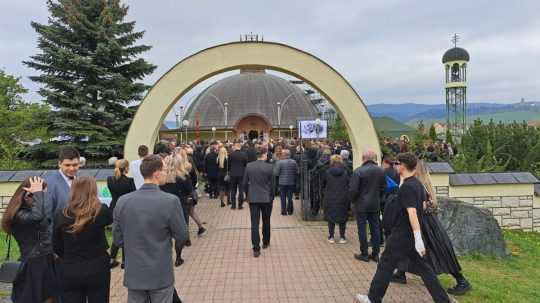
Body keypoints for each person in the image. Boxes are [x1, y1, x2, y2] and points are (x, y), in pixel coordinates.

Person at [355, 153, 451, 303]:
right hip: (409, 235)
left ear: (403, 166)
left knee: (385, 264)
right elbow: (421, 206)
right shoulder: (417, 184)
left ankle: (373, 299)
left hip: (402, 235)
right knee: (424, 269)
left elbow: (412, 212)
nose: (395, 165)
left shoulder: (409, 186)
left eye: (397, 163)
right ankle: (443, 300)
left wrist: (418, 239)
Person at [113, 155, 188, 303]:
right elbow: (182, 235)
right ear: (156, 173)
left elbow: (117, 238)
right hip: (160, 272)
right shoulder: (170, 201)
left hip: (134, 273)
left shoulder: (123, 201)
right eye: (165, 170)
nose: (167, 173)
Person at [391, 161, 471, 296]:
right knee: (408, 248)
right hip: (426, 223)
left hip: (426, 224)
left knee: (438, 251)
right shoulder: (421, 184)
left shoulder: (417, 186)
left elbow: (418, 208)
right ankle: (400, 272)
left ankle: (462, 281)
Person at [1, 177, 61, 303]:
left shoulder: (31, 211)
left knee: (50, 297)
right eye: (39, 195)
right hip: (34, 263)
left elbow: (45, 228)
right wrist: (38, 194)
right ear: (27, 195)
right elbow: (37, 217)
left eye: (43, 195)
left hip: (45, 259)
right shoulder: (18, 214)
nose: (43, 199)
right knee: (33, 298)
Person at [53, 176, 113, 303]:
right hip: (97, 265)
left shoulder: (61, 214)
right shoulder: (101, 211)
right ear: (93, 190)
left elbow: (56, 245)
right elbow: (111, 220)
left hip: (70, 267)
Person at [349, 150, 386, 263]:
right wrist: (379, 199)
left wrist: (353, 201)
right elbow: (384, 188)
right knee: (375, 229)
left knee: (362, 229)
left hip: (361, 204)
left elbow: (353, 190)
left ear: (363, 158)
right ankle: (375, 254)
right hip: (375, 204)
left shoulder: (358, 171)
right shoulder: (381, 171)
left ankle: (364, 254)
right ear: (374, 158)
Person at [160, 154, 193, 267]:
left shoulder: (162, 178)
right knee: (180, 232)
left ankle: (165, 256)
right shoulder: (183, 176)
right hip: (180, 206)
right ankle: (178, 257)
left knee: (165, 231)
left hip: (164, 206)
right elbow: (190, 190)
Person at [243, 146, 274, 258]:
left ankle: (256, 248)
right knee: (266, 220)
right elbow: (273, 185)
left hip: (254, 198)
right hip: (266, 198)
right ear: (264, 154)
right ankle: (265, 242)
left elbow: (245, 183)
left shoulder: (249, 166)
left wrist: (247, 195)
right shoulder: (270, 167)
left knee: (254, 223)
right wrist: (271, 197)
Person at [107, 159, 136, 269]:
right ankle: (125, 261)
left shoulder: (110, 179)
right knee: (126, 234)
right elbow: (133, 196)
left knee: (116, 233)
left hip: (114, 208)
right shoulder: (129, 181)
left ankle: (112, 258)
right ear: (127, 168)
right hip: (126, 209)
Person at [44, 146, 80, 225]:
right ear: (59, 164)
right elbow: (47, 215)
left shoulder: (82, 180)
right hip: (58, 232)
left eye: (75, 165)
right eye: (67, 165)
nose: (71, 168)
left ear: (79, 163)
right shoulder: (49, 183)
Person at [322, 155, 350, 244]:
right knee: (343, 217)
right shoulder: (346, 172)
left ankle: (331, 237)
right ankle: (342, 237)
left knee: (331, 217)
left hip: (330, 197)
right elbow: (349, 184)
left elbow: (323, 184)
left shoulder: (327, 172)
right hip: (343, 197)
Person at [274, 149, 297, 215]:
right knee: (290, 197)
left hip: (282, 182)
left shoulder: (280, 162)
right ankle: (290, 210)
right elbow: (296, 171)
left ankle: (283, 211)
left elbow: (276, 173)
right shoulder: (294, 162)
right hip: (291, 182)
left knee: (283, 197)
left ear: (284, 155)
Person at [228, 143, 248, 209]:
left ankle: (233, 205)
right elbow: (246, 164)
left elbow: (229, 164)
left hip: (233, 174)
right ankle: (240, 205)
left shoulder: (231, 154)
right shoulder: (244, 154)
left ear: (235, 147)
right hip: (241, 174)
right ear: (240, 147)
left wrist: (229, 171)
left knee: (233, 190)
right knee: (241, 190)